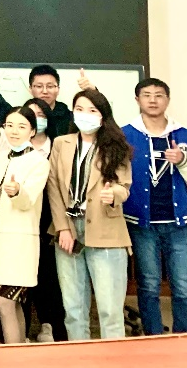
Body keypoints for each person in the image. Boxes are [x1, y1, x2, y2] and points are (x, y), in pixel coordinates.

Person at [46, 89, 132, 340]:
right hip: (69, 231)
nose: (85, 115)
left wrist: (113, 194)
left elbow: (124, 186)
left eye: (92, 110)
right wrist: (62, 227)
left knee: (110, 310)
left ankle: (113, 360)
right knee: (73, 309)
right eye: (80, 109)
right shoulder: (61, 143)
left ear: (103, 116)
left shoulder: (116, 146)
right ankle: (79, 359)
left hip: (106, 230)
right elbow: (53, 187)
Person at [123, 78, 187, 336]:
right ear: (137, 100)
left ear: (167, 100)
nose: (153, 100)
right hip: (142, 224)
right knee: (148, 286)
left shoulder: (184, 135)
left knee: (183, 286)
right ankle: (153, 337)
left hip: (178, 223)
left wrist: (183, 160)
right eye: (147, 95)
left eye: (159, 95)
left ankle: (186, 337)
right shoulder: (125, 135)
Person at [0, 107, 51, 344]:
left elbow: (27, 201)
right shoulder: (0, 157)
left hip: (19, 241)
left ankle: (13, 354)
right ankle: (21, 347)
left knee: (4, 302)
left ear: (32, 131)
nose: (14, 131)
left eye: (22, 126)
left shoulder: (38, 161)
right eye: (9, 125)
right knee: (12, 302)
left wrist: (17, 192)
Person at [21, 97, 65, 342]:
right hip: (22, 221)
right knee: (23, 277)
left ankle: (50, 325)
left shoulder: (58, 145)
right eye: (31, 114)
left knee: (50, 277)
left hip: (51, 222)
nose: (36, 119)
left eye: (41, 114)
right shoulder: (15, 146)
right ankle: (22, 330)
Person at [29, 65, 74, 139]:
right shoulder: (22, 115)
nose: (45, 91)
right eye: (39, 86)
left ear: (58, 89)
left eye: (50, 86)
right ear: (30, 89)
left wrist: (91, 90)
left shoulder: (71, 119)